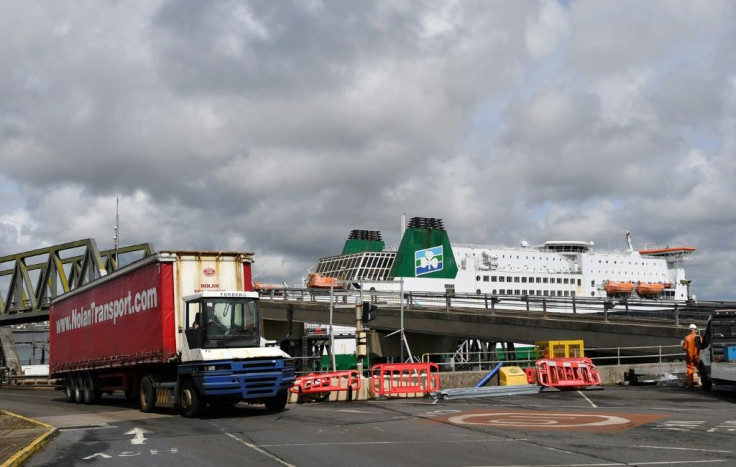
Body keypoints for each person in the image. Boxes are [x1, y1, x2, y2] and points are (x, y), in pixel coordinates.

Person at [682, 323, 700, 388]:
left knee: (690, 369)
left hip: (690, 356)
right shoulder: (699, 337)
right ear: (695, 330)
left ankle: (690, 385)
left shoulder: (687, 338)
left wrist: (682, 344)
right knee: (701, 369)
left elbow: (685, 348)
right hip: (698, 356)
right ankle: (705, 382)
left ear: (689, 330)